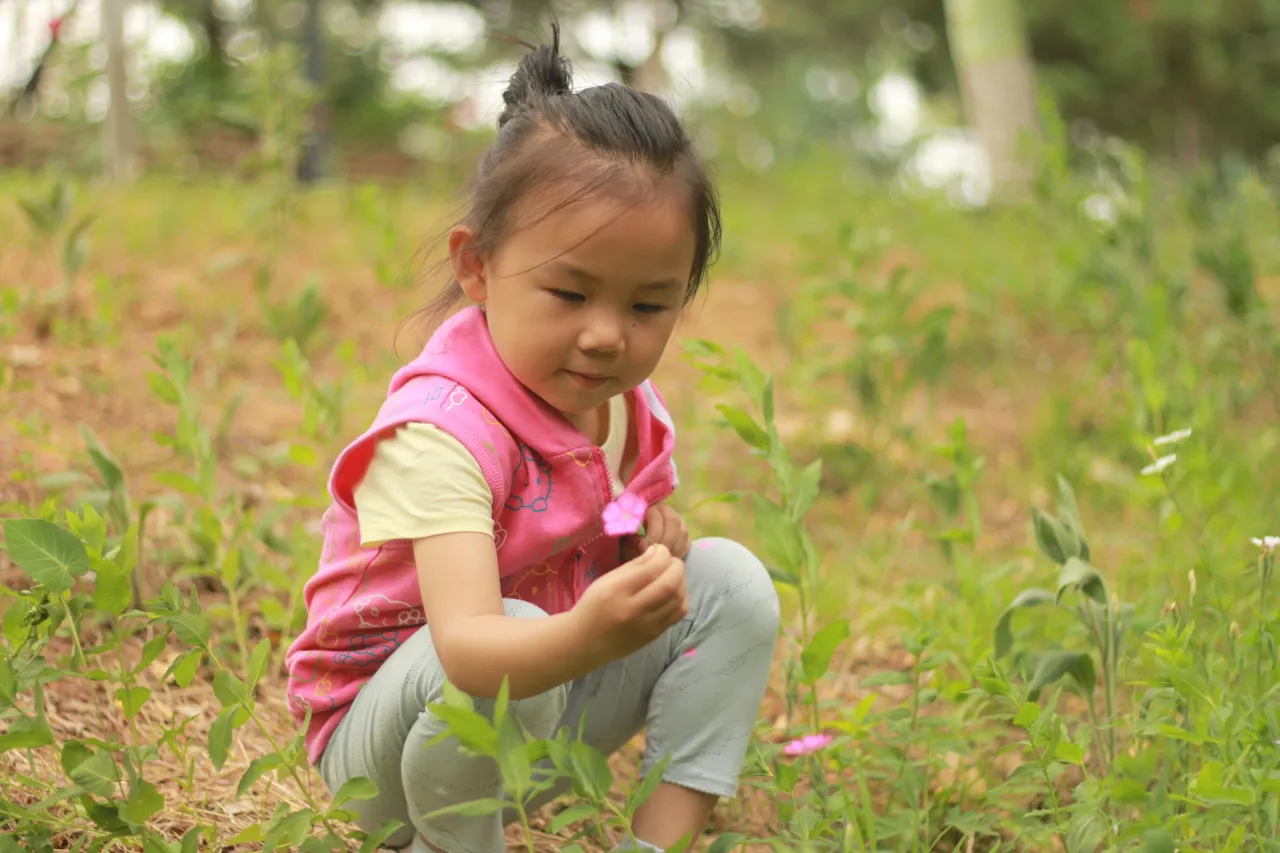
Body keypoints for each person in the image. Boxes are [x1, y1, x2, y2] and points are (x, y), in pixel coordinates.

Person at [284, 25, 780, 853]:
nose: (605, 336)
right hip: (386, 750)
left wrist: (645, 555)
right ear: (476, 267)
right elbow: (473, 648)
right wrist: (590, 632)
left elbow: (591, 546)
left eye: (647, 306)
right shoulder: (442, 431)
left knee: (732, 583)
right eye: (569, 292)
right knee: (505, 632)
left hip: (532, 707)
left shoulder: (621, 409)